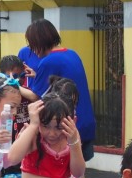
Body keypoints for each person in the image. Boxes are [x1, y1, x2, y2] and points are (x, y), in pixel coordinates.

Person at [26, 19, 97, 165]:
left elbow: (35, 97)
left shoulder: (48, 61)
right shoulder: (72, 54)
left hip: (66, 126)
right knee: (75, 174)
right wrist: (37, 74)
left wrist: (11, 85)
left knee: (68, 176)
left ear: (38, 43)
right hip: (86, 122)